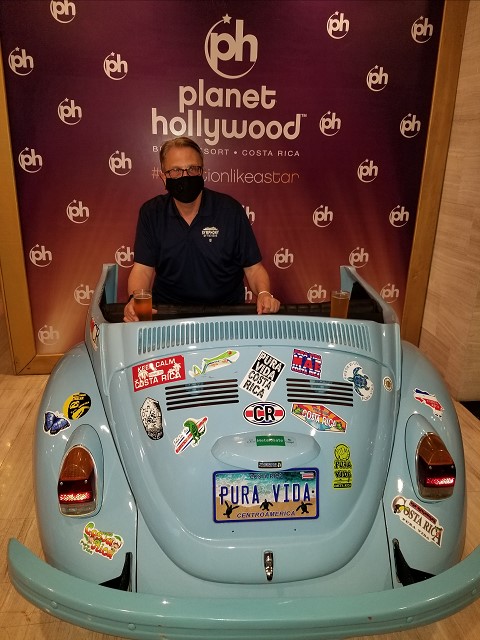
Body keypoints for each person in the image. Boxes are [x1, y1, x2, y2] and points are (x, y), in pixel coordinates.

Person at [124, 136, 280, 321]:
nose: (186, 176)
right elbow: (142, 270)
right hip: (169, 315)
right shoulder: (151, 212)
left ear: (202, 172)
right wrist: (135, 300)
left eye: (192, 169)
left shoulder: (230, 210)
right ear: (164, 177)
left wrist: (264, 294)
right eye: (176, 171)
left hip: (226, 315)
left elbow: (254, 269)